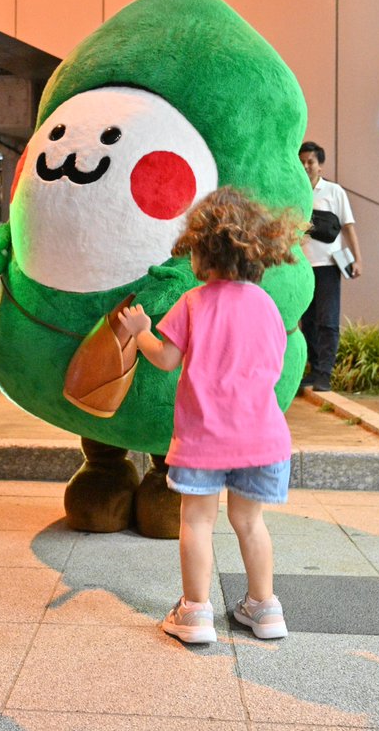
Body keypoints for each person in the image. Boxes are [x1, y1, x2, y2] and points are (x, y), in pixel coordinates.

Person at [117, 187, 301, 643]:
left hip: (204, 440)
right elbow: (274, 363)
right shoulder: (267, 306)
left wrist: (140, 331)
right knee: (250, 522)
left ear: (201, 251)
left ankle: (196, 613)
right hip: (262, 438)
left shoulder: (193, 303)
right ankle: (265, 608)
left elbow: (165, 359)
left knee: (197, 521)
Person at [298, 141, 362, 393]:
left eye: (310, 162)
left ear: (320, 165)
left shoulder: (334, 191)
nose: (306, 166)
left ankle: (325, 374)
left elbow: (348, 226)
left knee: (328, 321)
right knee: (308, 321)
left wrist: (358, 258)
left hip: (328, 265)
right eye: (302, 162)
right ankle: (314, 371)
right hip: (302, 268)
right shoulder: (295, 192)